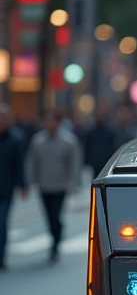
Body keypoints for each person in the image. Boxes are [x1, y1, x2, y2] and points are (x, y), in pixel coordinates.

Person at [25, 109, 82, 261]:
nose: (49, 124)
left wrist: (73, 183)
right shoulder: (38, 140)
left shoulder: (69, 141)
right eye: (46, 120)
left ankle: (56, 240)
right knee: (49, 215)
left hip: (60, 185)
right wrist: (29, 181)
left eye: (52, 121)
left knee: (56, 214)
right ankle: (54, 234)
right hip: (44, 184)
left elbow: (75, 163)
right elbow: (32, 162)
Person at [0, 104, 27, 270]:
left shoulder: (16, 139)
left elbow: (19, 165)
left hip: (5, 188)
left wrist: (22, 185)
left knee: (1, 222)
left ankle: (1, 255)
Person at [83, 111, 117, 179]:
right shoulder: (91, 134)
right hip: (95, 164)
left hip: (106, 164)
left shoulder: (109, 133)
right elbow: (88, 149)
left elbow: (112, 147)